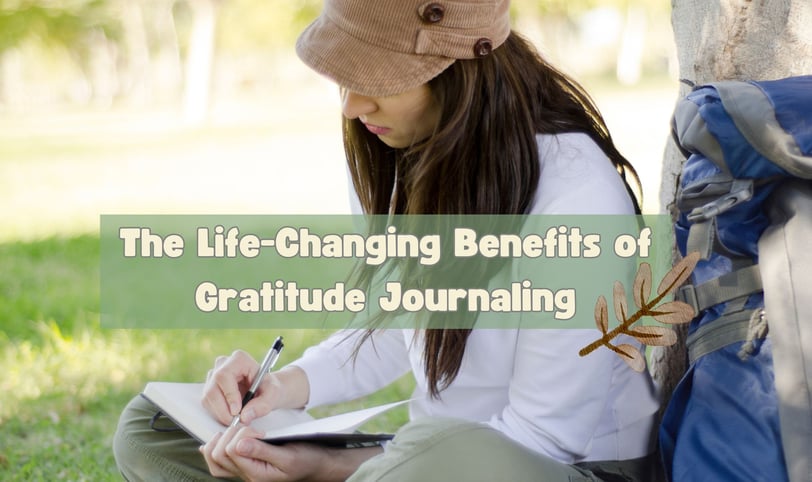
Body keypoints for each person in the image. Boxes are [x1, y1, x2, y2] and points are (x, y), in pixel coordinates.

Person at [113, 0, 661, 480]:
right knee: (150, 427)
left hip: (561, 467)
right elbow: (398, 328)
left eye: (375, 78)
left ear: (460, 70)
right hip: (426, 459)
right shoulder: (398, 151)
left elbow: (544, 438)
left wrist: (329, 467)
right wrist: (282, 389)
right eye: (345, 78)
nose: (352, 105)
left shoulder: (577, 196)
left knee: (431, 454)